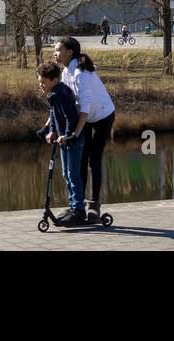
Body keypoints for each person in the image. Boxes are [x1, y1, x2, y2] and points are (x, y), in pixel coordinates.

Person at [51, 36, 117, 221]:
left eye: (58, 50)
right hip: (85, 118)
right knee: (79, 161)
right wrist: (52, 126)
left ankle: (94, 205)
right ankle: (77, 205)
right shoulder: (65, 72)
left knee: (93, 160)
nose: (55, 53)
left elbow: (85, 106)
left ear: (69, 52)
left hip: (102, 117)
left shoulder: (80, 73)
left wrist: (74, 134)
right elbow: (67, 103)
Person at [37, 60, 86, 226]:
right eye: (39, 82)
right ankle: (74, 206)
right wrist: (52, 130)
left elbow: (70, 117)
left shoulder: (59, 94)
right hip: (64, 140)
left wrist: (66, 136)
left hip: (72, 140)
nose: (41, 85)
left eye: (43, 82)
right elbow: (54, 114)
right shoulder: (54, 93)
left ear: (54, 80)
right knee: (67, 174)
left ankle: (78, 209)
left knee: (73, 174)